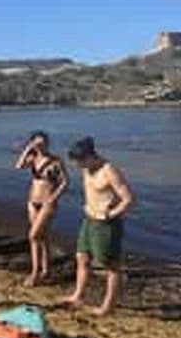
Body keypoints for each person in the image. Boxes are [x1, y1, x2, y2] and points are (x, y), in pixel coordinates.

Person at [62, 137, 134, 316]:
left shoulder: (109, 171)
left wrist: (110, 214)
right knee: (82, 258)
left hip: (106, 224)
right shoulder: (87, 169)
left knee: (110, 265)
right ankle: (78, 296)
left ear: (90, 157)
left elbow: (128, 199)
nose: (77, 165)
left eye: (80, 161)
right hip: (89, 220)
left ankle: (108, 307)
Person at [15, 131, 69, 286]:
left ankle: (34, 273)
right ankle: (46, 270)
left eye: (44, 143)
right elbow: (18, 166)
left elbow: (65, 182)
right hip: (33, 201)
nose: (41, 146)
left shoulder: (56, 161)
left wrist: (54, 197)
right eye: (38, 143)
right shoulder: (33, 158)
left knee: (33, 236)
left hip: (47, 203)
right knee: (42, 237)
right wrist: (27, 149)